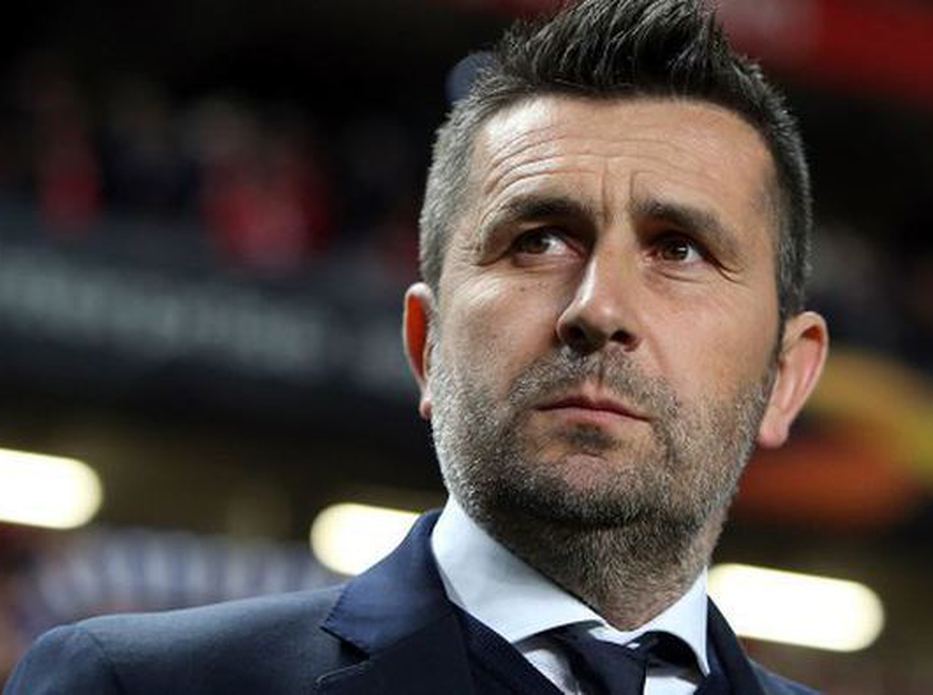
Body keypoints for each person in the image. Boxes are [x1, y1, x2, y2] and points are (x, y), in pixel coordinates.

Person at [4, 0, 828, 693]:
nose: (598, 306)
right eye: (539, 240)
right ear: (426, 344)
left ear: (786, 376)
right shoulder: (133, 684)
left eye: (679, 248)